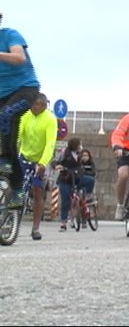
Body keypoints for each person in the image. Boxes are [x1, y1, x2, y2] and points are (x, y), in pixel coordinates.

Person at [0, 12, 41, 205]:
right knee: (7, 148)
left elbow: (19, 58)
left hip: (25, 89)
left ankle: (7, 165)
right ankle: (16, 188)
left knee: (6, 115)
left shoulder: (10, 35)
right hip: (2, 95)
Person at [16, 93, 56, 240]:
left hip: (39, 160)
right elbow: (19, 135)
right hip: (24, 157)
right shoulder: (26, 116)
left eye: (36, 104)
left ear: (43, 106)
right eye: (31, 104)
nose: (33, 107)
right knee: (11, 184)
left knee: (37, 192)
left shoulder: (50, 120)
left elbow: (50, 143)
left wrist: (42, 163)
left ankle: (35, 228)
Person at [57, 138, 96, 232]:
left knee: (90, 180)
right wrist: (57, 166)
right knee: (65, 200)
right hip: (65, 179)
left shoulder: (80, 154)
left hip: (77, 177)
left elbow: (87, 162)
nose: (80, 147)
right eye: (79, 144)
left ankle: (88, 196)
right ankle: (63, 222)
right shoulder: (64, 153)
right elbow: (55, 161)